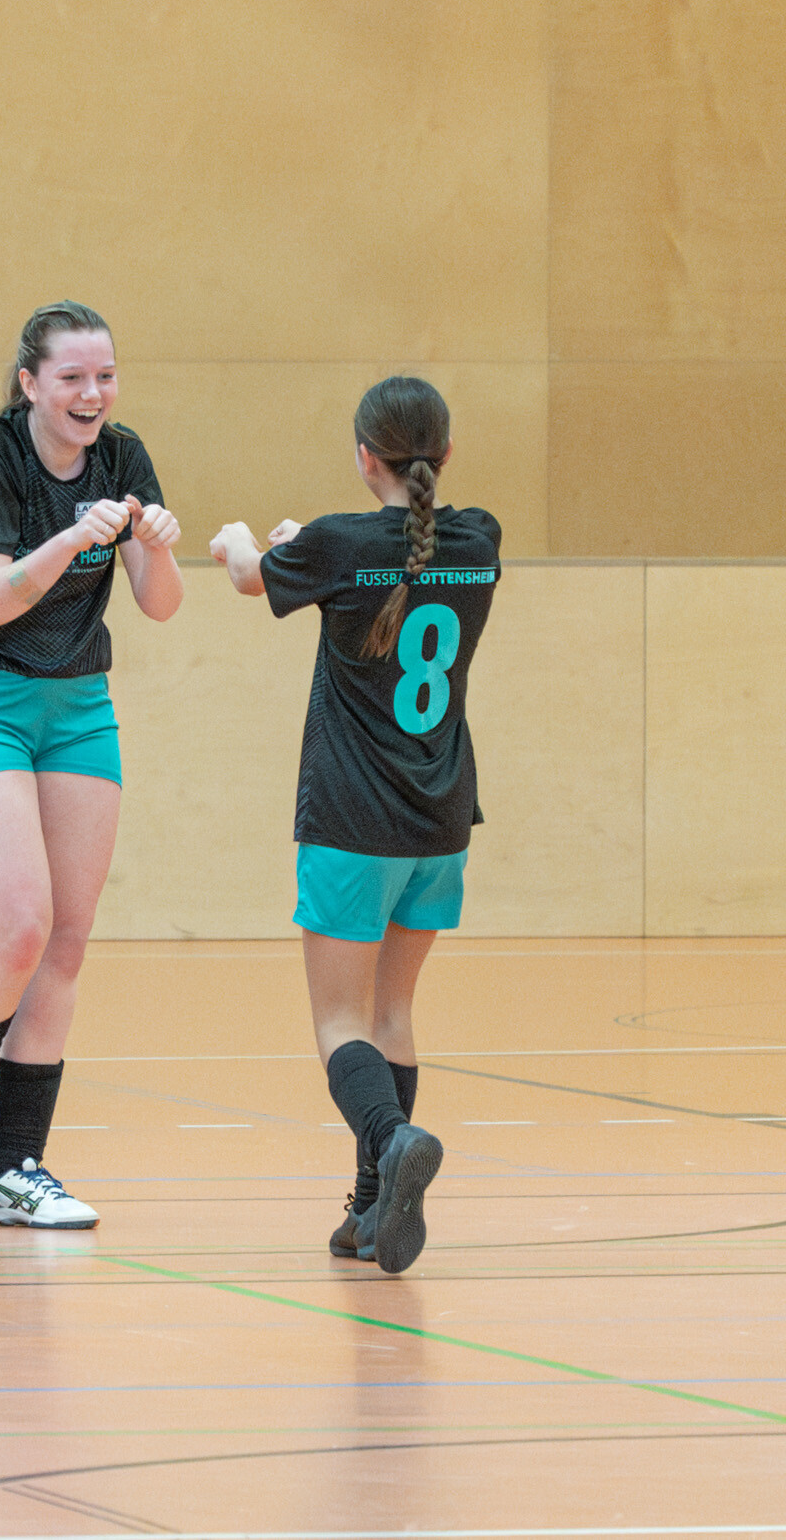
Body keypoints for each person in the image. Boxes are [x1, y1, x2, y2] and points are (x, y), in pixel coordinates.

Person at [211, 375, 499, 1274]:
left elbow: (254, 576)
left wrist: (241, 540)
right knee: (393, 1012)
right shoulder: (481, 539)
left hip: (351, 819)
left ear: (364, 456)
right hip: (440, 821)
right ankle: (373, 1208)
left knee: (340, 1022)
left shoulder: (336, 546)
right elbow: (390, 562)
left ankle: (391, 1139)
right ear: (445, 453)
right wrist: (314, 547)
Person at [0, 300, 183, 1229]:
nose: (92, 393)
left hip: (76, 708)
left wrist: (154, 546)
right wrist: (74, 536)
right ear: (31, 383)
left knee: (66, 936)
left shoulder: (123, 456)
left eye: (104, 376)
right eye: (72, 377)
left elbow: (158, 604)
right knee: (19, 920)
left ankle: (19, 1161)